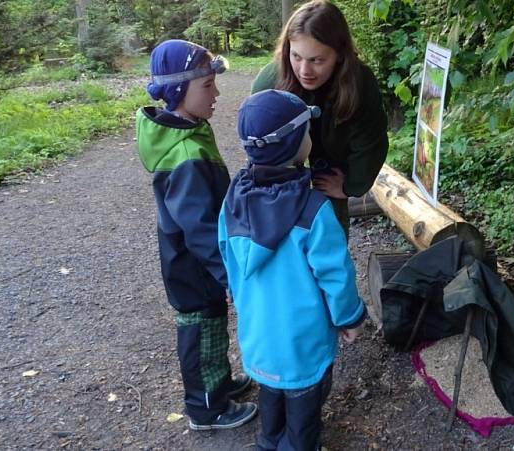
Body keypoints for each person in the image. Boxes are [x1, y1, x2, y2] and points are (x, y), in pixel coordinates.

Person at [218, 89, 366, 450]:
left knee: (272, 394)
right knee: (304, 412)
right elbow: (335, 274)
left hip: (259, 336)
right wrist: (349, 318)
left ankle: (270, 442)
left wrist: (238, 295)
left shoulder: (234, 200)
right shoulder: (314, 210)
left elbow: (226, 255)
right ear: (295, 145)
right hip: (304, 342)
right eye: (307, 132)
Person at [135, 39, 257, 431]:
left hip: (200, 264)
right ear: (176, 92)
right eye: (207, 86)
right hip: (194, 266)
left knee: (213, 328)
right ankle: (206, 410)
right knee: (201, 333)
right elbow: (201, 230)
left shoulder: (189, 131)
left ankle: (218, 384)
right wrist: (231, 275)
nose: (216, 92)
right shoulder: (186, 157)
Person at [251, 0, 389, 236]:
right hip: (282, 164)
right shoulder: (269, 82)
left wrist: (349, 186)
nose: (304, 70)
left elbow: (371, 144)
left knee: (330, 231)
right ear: (287, 50)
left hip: (332, 162)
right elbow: (258, 145)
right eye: (296, 57)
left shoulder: (360, 83)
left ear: (339, 55)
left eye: (317, 60)